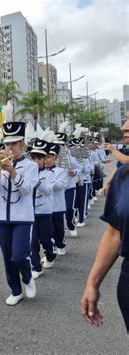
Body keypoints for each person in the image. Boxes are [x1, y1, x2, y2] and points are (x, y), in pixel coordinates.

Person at [80, 112, 129, 331]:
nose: (125, 127)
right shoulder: (124, 174)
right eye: (126, 119)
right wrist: (93, 282)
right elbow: (114, 232)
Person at [0, 122, 39, 306]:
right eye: (7, 144)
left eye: (14, 143)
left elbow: (26, 190)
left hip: (23, 217)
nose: (10, 147)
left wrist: (12, 171)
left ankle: (27, 277)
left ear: (22, 144)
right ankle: (15, 290)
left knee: (18, 255)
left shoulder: (31, 166)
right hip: (2, 216)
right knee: (7, 256)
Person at [28, 140, 56, 279]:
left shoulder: (50, 174)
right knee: (32, 241)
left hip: (44, 212)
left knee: (45, 239)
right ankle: (36, 267)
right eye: (33, 158)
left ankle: (50, 255)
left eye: (39, 158)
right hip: (29, 212)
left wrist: (36, 181)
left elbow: (48, 190)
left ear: (45, 159)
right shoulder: (27, 172)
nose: (36, 161)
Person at [46, 143, 68, 255]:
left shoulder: (61, 171)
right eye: (45, 157)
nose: (47, 160)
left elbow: (61, 185)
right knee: (47, 230)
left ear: (55, 158)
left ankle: (60, 244)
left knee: (59, 227)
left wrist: (47, 184)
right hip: (44, 207)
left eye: (49, 157)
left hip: (57, 205)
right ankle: (51, 247)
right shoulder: (39, 171)